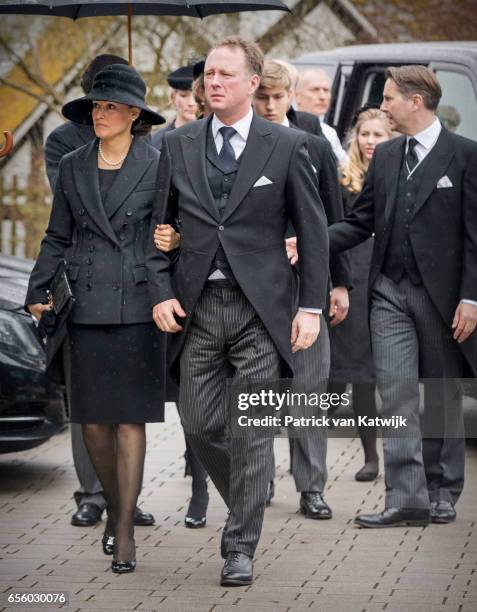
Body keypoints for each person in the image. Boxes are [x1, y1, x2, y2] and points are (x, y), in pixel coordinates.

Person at [147, 37, 329, 586]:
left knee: (251, 431)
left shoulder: (289, 144)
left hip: (262, 311)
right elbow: (155, 235)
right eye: (208, 74)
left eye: (226, 73)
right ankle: (252, 489)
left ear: (254, 82)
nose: (213, 82)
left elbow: (315, 233)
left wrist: (312, 308)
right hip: (197, 308)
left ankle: (239, 545)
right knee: (200, 423)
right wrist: (161, 290)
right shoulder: (175, 145)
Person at [26, 64, 166, 573]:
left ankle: (124, 527)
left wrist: (173, 246)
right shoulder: (73, 165)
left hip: (138, 302)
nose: (100, 113)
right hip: (84, 302)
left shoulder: (159, 161)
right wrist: (37, 289)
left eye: (111, 106)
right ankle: (112, 504)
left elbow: (173, 227)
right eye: (96, 106)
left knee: (129, 419)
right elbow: (56, 235)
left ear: (134, 114)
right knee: (91, 423)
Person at [329, 65, 477, 527]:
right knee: (394, 394)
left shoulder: (466, 156)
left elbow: (476, 238)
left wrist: (471, 299)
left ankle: (442, 489)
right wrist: (310, 240)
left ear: (416, 101)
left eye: (390, 98)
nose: (384, 105)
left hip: (443, 297)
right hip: (389, 291)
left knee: (438, 395)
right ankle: (406, 499)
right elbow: (360, 221)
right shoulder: (388, 155)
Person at [253, 59, 351, 518]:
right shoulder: (237, 148)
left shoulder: (314, 146)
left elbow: (337, 219)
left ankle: (312, 487)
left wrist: (341, 283)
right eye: (263, 97)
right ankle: (258, 481)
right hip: (254, 284)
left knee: (309, 388)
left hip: (307, 283)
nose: (271, 106)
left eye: (279, 96)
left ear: (291, 94)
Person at [151, 64, 209, 530]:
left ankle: (245, 471)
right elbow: (158, 218)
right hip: (186, 288)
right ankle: (200, 485)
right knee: (193, 393)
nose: (195, 103)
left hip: (237, 286)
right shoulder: (162, 146)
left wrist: (184, 235)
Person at [329, 106, 394, 482]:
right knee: (350, 371)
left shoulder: (397, 175)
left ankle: (377, 456)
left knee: (370, 373)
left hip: (383, 278)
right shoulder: (343, 181)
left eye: (378, 135)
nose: (370, 142)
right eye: (365, 135)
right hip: (351, 277)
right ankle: (368, 455)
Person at [295, 68, 348, 164]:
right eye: (315, 89)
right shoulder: (285, 125)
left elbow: (343, 167)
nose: (322, 97)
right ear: (296, 96)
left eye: (326, 90)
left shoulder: (329, 132)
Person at [151, 64, 198, 151]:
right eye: (184, 96)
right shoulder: (156, 142)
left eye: (196, 96)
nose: (191, 103)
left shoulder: (217, 138)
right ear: (173, 98)